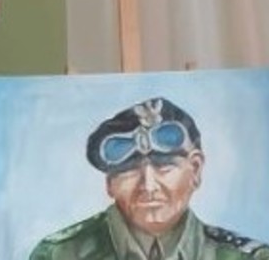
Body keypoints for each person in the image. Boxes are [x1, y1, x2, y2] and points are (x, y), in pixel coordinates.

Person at [30, 97, 269, 260]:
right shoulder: (59, 254)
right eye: (129, 170)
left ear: (195, 170)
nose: (148, 185)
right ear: (109, 183)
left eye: (165, 166)